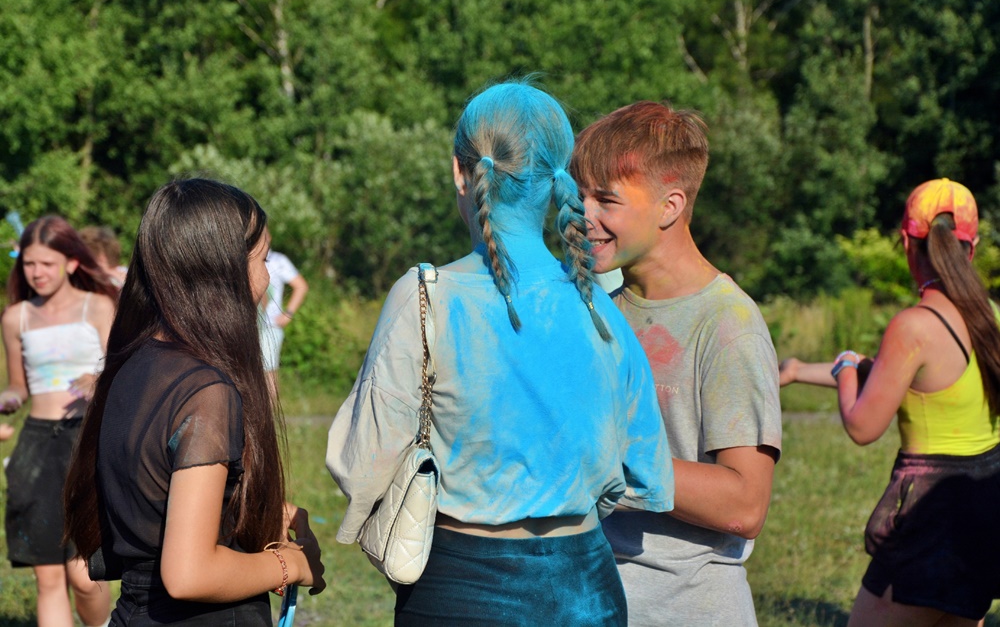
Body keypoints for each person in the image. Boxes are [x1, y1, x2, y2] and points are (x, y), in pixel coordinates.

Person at [326, 80, 674, 626]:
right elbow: (647, 475)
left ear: (460, 172)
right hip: (588, 586)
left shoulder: (426, 297)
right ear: (561, 180)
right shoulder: (598, 307)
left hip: (462, 587)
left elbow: (361, 464)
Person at [64, 178, 326, 626]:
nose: (267, 278)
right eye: (263, 259)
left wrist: (252, 511)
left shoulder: (134, 365)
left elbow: (156, 502)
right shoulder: (206, 392)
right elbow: (189, 573)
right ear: (224, 271)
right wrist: (291, 565)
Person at [571, 101, 783, 626]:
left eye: (605, 199)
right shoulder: (598, 312)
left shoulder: (728, 324)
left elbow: (745, 504)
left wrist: (603, 456)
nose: (583, 215)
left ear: (670, 206)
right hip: (598, 600)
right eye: (579, 196)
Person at [780, 178, 1000, 626]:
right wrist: (800, 370)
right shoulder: (990, 317)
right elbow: (891, 377)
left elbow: (863, 425)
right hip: (985, 512)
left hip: (931, 519)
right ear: (972, 248)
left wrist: (845, 368)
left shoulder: (914, 326)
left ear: (906, 243)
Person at [0, 215, 118, 627]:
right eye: (29, 264)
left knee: (85, 577)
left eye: (47, 263)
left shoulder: (98, 306)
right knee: (48, 578)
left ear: (71, 262)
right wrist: (8, 399)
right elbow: (19, 386)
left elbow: (121, 370)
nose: (37, 273)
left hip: (85, 442)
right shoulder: (15, 317)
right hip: (36, 446)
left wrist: (98, 379)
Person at [258, 233, 308, 395]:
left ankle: (269, 411)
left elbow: (301, 286)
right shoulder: (244, 259)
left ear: (269, 237)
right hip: (248, 327)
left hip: (269, 326)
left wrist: (288, 314)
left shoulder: (278, 260)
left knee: (268, 375)